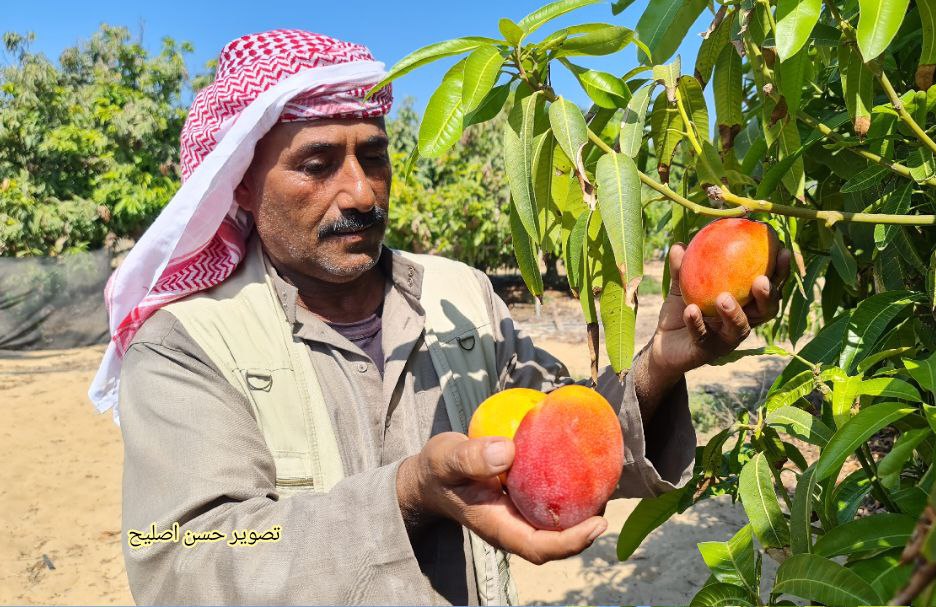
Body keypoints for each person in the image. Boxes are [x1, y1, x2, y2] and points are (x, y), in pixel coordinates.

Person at [90, 29, 789, 605]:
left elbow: (566, 435)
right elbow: (182, 559)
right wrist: (405, 492)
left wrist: (660, 364)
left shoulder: (461, 294)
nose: (361, 192)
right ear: (242, 184)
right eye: (317, 164)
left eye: (373, 156)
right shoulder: (188, 343)